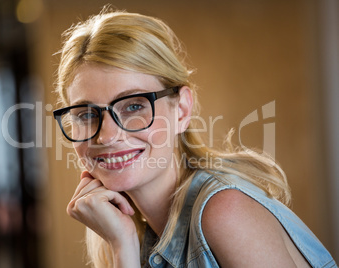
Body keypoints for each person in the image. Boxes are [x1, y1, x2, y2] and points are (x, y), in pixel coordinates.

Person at [53, 7, 337, 268]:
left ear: (182, 109)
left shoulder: (224, 213)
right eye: (86, 114)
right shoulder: (132, 231)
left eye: (134, 106)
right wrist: (122, 246)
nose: (108, 135)